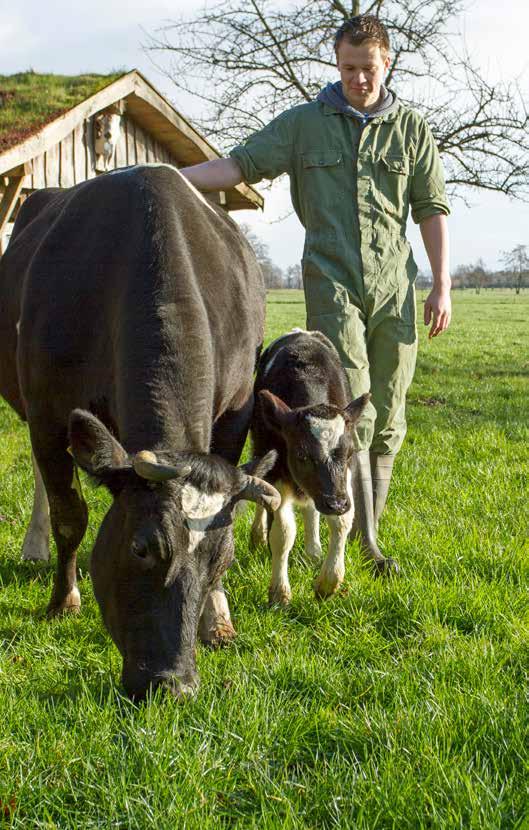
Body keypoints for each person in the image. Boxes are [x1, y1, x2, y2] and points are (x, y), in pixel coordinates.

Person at [181, 15, 451, 573]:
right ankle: (356, 538)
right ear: (337, 64)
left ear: (387, 63)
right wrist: (174, 176)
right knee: (349, 406)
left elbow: (430, 209)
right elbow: (240, 164)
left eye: (367, 69)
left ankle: (370, 535)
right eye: (348, 68)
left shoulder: (411, 130)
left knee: (390, 405)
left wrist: (441, 282)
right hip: (331, 281)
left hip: (396, 287)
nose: (358, 79)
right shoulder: (304, 124)